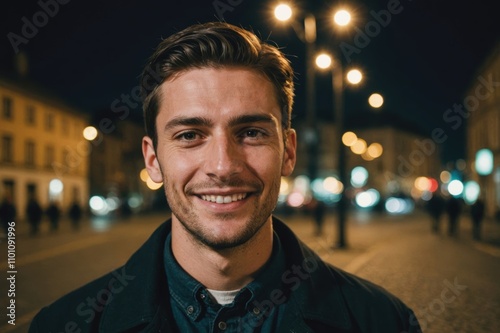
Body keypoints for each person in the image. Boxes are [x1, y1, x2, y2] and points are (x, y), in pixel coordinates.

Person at [29, 22, 421, 332]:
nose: (223, 165)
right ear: (152, 159)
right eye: (189, 135)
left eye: (251, 132)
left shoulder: (383, 321)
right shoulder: (63, 325)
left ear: (288, 152)